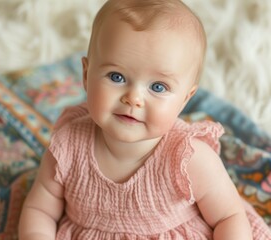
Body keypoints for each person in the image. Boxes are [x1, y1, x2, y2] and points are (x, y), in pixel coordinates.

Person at [18, 0, 271, 239]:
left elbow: (229, 216)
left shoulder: (189, 159)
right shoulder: (67, 148)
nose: (133, 99)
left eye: (158, 87)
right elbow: (41, 210)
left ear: (184, 99)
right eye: (116, 77)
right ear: (86, 75)